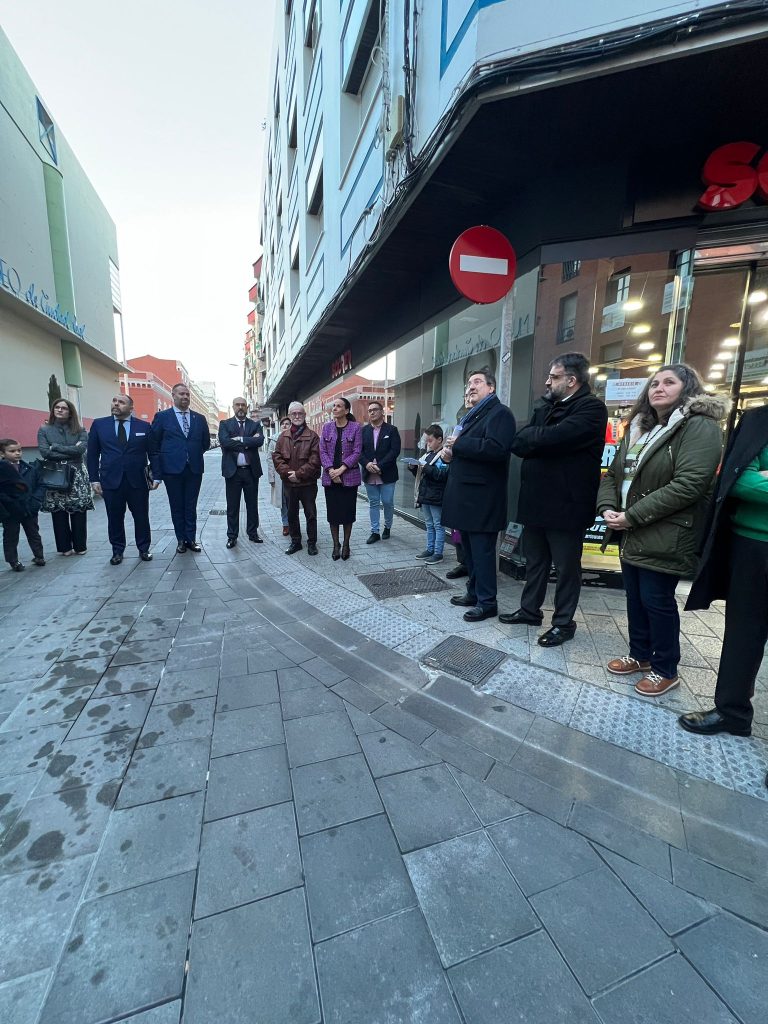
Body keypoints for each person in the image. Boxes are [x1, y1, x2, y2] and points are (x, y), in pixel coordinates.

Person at [596, 364, 726, 697]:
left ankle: (665, 669)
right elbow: (613, 475)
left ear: (688, 389)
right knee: (636, 599)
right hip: (633, 528)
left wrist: (631, 516)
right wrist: (607, 508)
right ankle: (639, 656)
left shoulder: (699, 426)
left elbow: (690, 484)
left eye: (669, 382)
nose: (658, 388)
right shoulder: (642, 427)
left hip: (666, 530)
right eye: (654, 383)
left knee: (657, 601)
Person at [500, 353, 608, 646]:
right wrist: (543, 438)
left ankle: (563, 623)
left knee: (565, 568)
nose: (547, 381)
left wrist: (541, 438)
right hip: (536, 502)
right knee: (535, 561)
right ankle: (529, 610)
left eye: (554, 376)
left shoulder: (592, 408)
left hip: (566, 506)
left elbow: (557, 438)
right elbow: (520, 443)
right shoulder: (546, 407)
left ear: (572, 381)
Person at [678, 404, 768, 739]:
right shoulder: (758, 419)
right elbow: (737, 479)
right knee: (742, 633)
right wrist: (754, 477)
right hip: (751, 546)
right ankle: (732, 712)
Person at [441, 367, 516, 621]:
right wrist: (449, 454)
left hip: (482, 499)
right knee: (470, 554)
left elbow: (496, 449)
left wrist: (458, 445)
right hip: (466, 498)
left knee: (483, 554)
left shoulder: (500, 414)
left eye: (477, 382)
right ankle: (473, 593)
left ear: (491, 387)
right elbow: (466, 451)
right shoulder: (470, 416)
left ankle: (487, 602)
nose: (470, 387)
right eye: (468, 383)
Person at [87, 394, 159, 565]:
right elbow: (92, 455)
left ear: (131, 408)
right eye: (114, 401)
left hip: (137, 481)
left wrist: (157, 475)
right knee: (114, 517)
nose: (116, 404)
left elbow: (153, 453)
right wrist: (94, 479)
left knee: (141, 516)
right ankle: (117, 551)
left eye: (121, 402)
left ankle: (144, 548)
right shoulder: (99, 425)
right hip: (111, 480)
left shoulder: (143, 426)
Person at [149, 382, 211, 553]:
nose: (185, 397)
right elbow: (154, 445)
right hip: (172, 470)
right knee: (177, 506)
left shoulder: (199, 418)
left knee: (191, 505)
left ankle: (191, 539)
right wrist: (157, 472)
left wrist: (191, 455)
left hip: (194, 469)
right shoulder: (162, 417)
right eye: (181, 394)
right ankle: (181, 540)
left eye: (187, 394)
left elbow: (205, 443)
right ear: (173, 395)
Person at [37, 398, 93, 556]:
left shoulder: (80, 430)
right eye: (57, 407)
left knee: (79, 509)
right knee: (58, 510)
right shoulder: (44, 429)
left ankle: (80, 546)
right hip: (55, 472)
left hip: (77, 473)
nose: (60, 410)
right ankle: (64, 547)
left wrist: (55, 446)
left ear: (70, 412)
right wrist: (69, 449)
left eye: (64, 408)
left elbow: (80, 450)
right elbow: (45, 452)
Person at [273, 402, 322, 555]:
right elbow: (277, 457)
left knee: (311, 514)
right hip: (289, 484)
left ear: (304, 415)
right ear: (289, 416)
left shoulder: (313, 436)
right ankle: (296, 542)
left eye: (300, 413)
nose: (297, 416)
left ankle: (312, 543)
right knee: (291, 514)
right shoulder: (283, 437)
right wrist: (289, 474)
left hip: (308, 483)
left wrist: (298, 474)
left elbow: (315, 460)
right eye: (293, 413)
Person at [319, 397, 363, 560]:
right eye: (334, 406)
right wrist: (331, 470)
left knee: (347, 513)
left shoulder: (355, 427)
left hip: (349, 477)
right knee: (333, 513)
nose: (335, 408)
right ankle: (335, 544)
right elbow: (322, 451)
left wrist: (342, 469)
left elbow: (357, 451)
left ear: (346, 410)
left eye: (338, 406)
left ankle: (346, 544)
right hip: (330, 478)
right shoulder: (326, 427)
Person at [219, 397, 264, 548]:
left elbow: (259, 441)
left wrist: (237, 440)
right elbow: (225, 442)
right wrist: (247, 441)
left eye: (243, 405)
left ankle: (253, 533)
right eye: (237, 405)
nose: (240, 407)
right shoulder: (225, 424)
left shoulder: (255, 424)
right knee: (232, 506)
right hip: (233, 472)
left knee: (252, 504)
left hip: (251, 471)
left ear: (247, 407)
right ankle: (232, 536)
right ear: (233, 407)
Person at [0, 439, 45, 571]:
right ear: (2, 453)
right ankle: (13, 561)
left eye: (19, 450)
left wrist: (36, 501)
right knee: (11, 535)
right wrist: (9, 502)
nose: (17, 453)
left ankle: (39, 556)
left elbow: (40, 485)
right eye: (12, 451)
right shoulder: (2, 470)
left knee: (33, 532)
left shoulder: (30, 468)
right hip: (11, 510)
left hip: (29, 507)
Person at [361, 400, 401, 544]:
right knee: (373, 503)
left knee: (387, 502)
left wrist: (380, 466)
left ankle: (388, 527)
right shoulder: (363, 431)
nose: (372, 412)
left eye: (375, 409)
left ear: (382, 412)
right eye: (370, 410)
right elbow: (359, 452)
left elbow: (395, 451)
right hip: (369, 473)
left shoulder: (391, 430)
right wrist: (367, 464)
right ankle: (375, 531)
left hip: (387, 473)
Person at [408, 425, 448, 563]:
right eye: (426, 441)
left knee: (438, 524)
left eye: (430, 440)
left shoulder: (444, 455)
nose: (427, 443)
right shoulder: (427, 454)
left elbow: (442, 475)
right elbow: (422, 475)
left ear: (440, 440)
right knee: (429, 524)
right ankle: (430, 549)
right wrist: (413, 468)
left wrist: (426, 468)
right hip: (425, 494)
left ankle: (438, 553)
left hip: (437, 495)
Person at [265, 416, 292, 536]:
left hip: (292, 474)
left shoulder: (295, 438)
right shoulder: (274, 440)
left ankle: (293, 522)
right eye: (283, 424)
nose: (285, 426)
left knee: (292, 500)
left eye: (287, 423)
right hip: (279, 476)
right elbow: (270, 460)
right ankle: (285, 524)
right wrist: (271, 477)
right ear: (280, 426)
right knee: (283, 501)